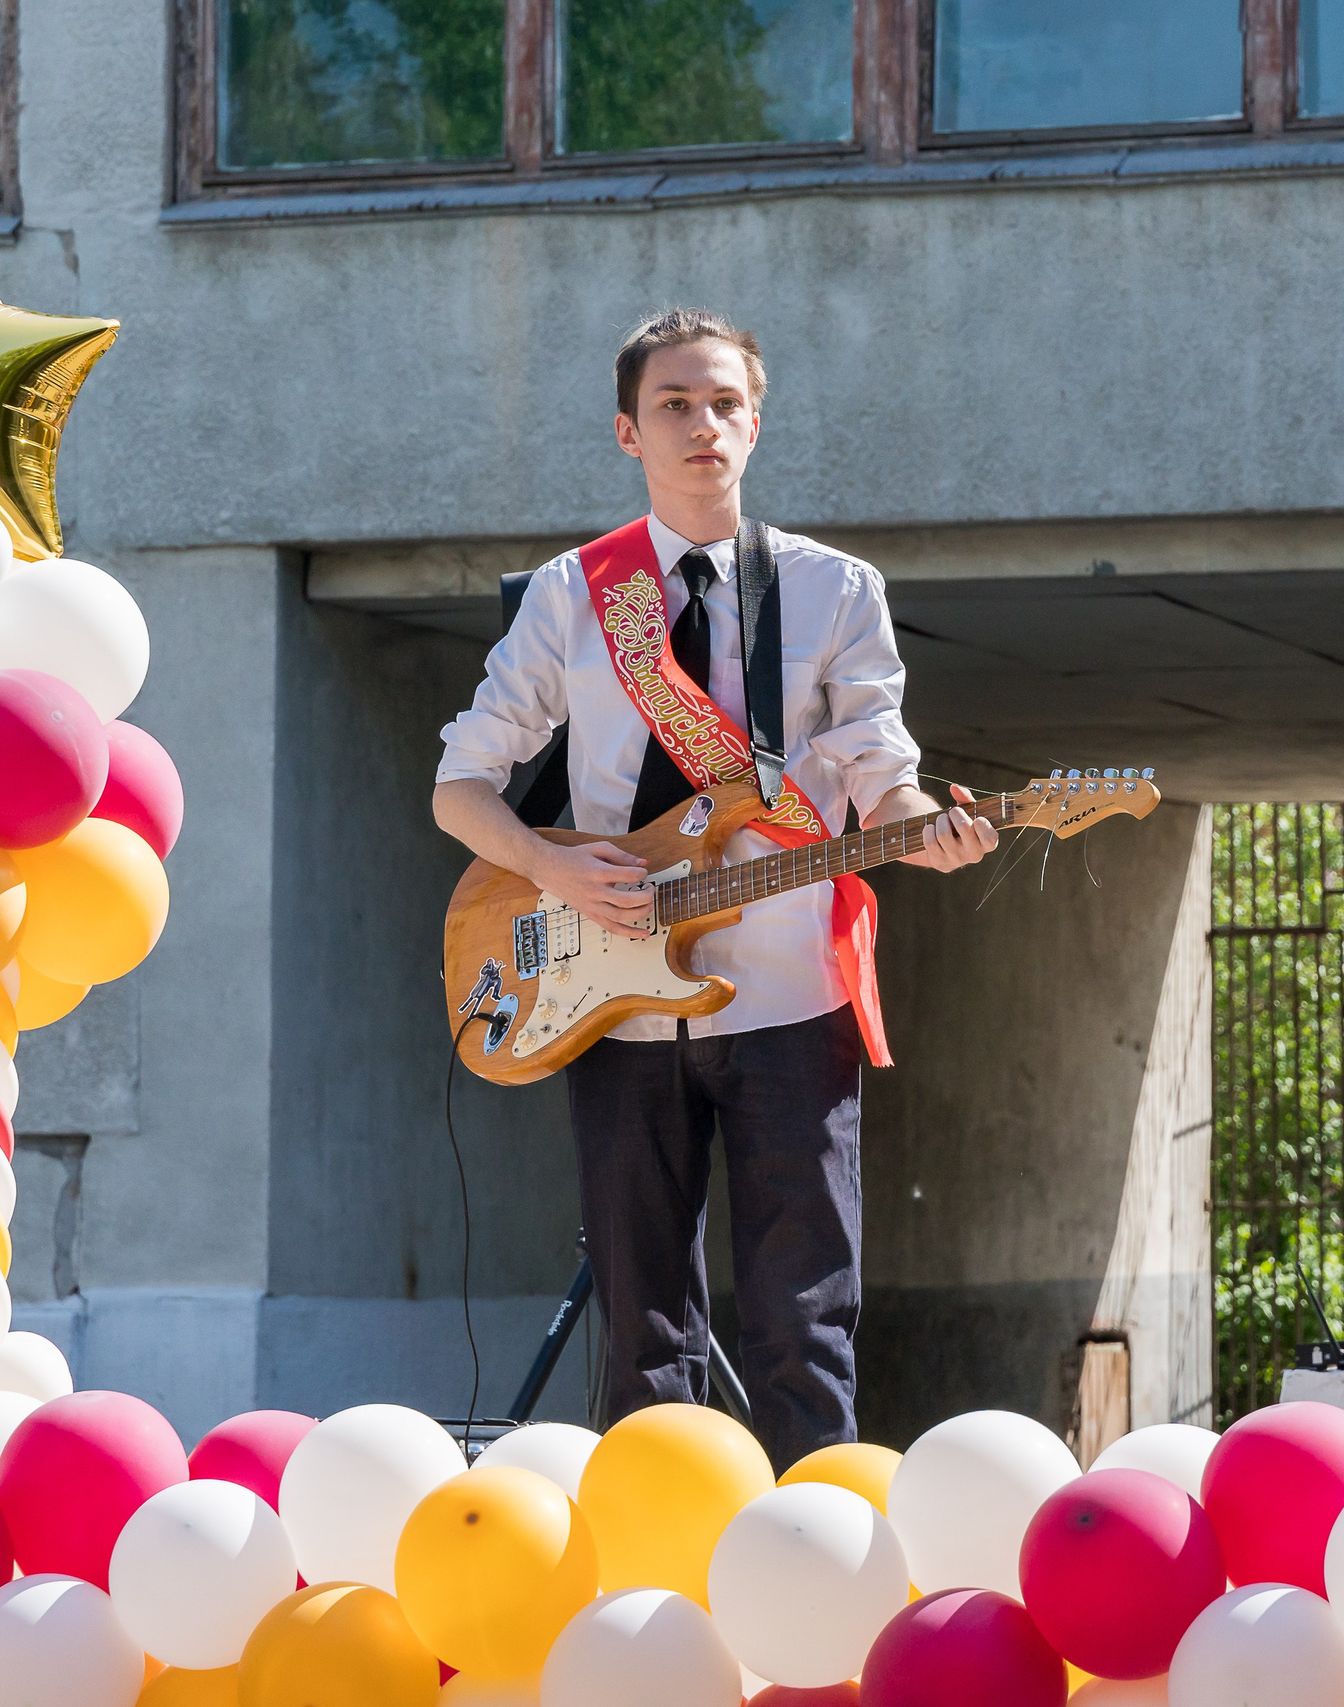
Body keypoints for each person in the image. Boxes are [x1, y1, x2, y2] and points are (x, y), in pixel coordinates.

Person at [432, 309, 999, 1470]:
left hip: (793, 995)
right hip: (614, 997)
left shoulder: (837, 589)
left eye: (724, 403)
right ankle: (658, 1578)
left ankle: (821, 1546)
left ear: (757, 421)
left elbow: (880, 771)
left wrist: (919, 830)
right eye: (674, 406)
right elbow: (460, 786)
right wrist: (548, 864)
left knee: (805, 1317)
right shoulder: (576, 594)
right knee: (641, 1330)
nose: (703, 426)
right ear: (627, 434)